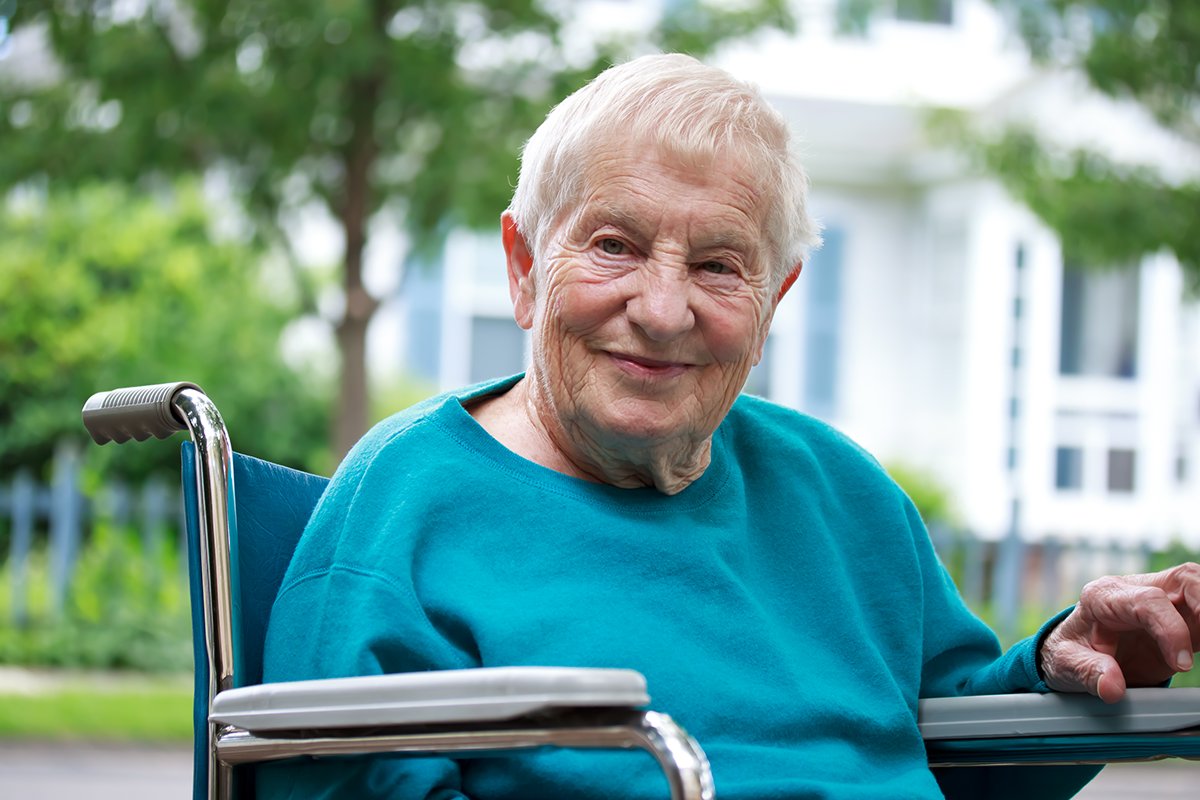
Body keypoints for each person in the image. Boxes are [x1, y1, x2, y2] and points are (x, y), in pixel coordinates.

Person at [259, 53, 1200, 799]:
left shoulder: (839, 493)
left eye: (718, 266)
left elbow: (954, 751)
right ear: (523, 266)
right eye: (615, 246)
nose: (663, 310)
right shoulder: (404, 506)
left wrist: (1058, 668)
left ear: (775, 297)